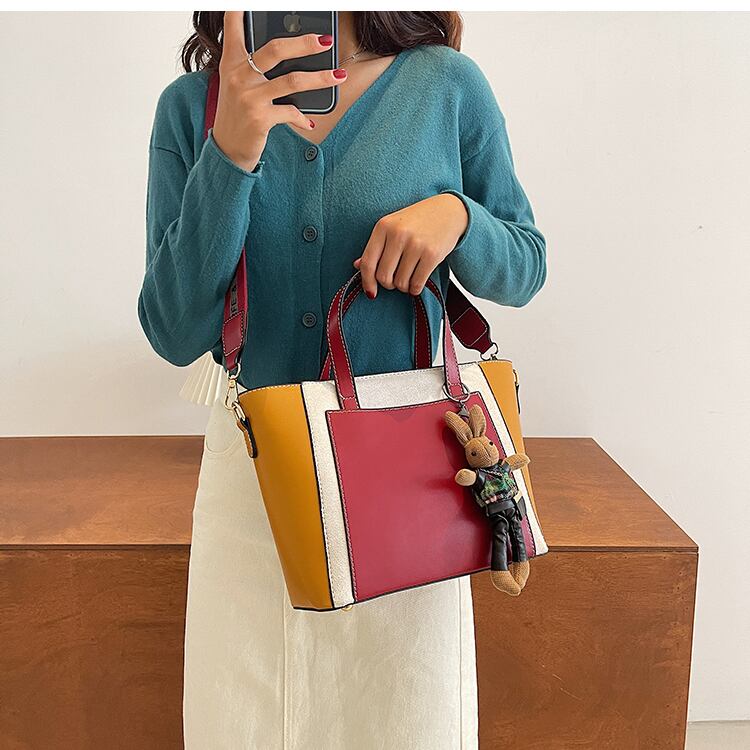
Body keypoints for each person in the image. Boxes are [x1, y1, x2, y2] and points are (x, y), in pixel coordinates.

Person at [137, 10, 546, 749]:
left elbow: (525, 264)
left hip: (411, 478)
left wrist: (457, 217)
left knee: (405, 720)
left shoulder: (445, 86)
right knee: (247, 720)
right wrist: (230, 153)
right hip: (254, 478)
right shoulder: (194, 106)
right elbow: (173, 330)